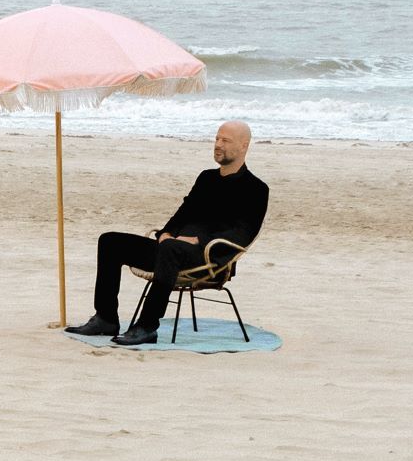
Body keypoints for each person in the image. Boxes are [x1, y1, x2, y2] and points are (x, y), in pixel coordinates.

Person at [66, 119, 268, 347]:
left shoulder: (256, 189)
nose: (218, 144)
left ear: (244, 146)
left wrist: (198, 240)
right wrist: (165, 232)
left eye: (226, 140)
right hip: (170, 250)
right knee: (110, 241)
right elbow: (183, 212)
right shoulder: (206, 178)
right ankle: (106, 318)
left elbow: (242, 234)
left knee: (171, 248)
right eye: (217, 139)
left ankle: (147, 326)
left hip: (207, 258)